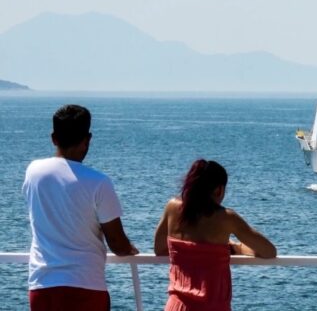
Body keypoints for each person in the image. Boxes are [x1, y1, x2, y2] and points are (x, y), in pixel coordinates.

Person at [23, 104, 139, 311]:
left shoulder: (33, 172)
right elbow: (117, 244)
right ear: (88, 139)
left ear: (54, 138)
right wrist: (130, 248)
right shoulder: (99, 182)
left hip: (42, 286)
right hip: (85, 286)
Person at [154, 159, 277, 311]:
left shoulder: (172, 207)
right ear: (219, 190)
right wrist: (235, 248)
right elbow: (269, 251)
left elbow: (159, 249)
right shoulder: (227, 218)